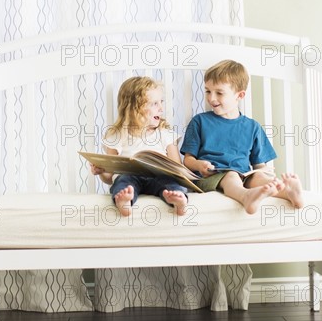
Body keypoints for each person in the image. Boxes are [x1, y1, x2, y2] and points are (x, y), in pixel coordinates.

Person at [181, 59, 304, 214]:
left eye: (219, 93)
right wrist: (199, 165)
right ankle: (246, 197)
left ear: (239, 95)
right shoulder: (199, 121)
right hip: (212, 176)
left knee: (259, 178)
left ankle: (289, 192)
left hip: (244, 175)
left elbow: (259, 165)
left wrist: (266, 175)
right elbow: (187, 160)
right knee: (231, 175)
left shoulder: (253, 127)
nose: (212, 98)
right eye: (208, 91)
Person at [90, 76, 188, 217]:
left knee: (170, 182)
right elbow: (109, 177)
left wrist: (174, 172)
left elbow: (177, 168)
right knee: (122, 180)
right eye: (154, 104)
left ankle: (177, 199)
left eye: (161, 102)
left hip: (158, 177)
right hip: (131, 179)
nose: (161, 108)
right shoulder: (117, 135)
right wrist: (101, 171)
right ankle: (124, 201)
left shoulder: (165, 134)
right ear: (134, 109)